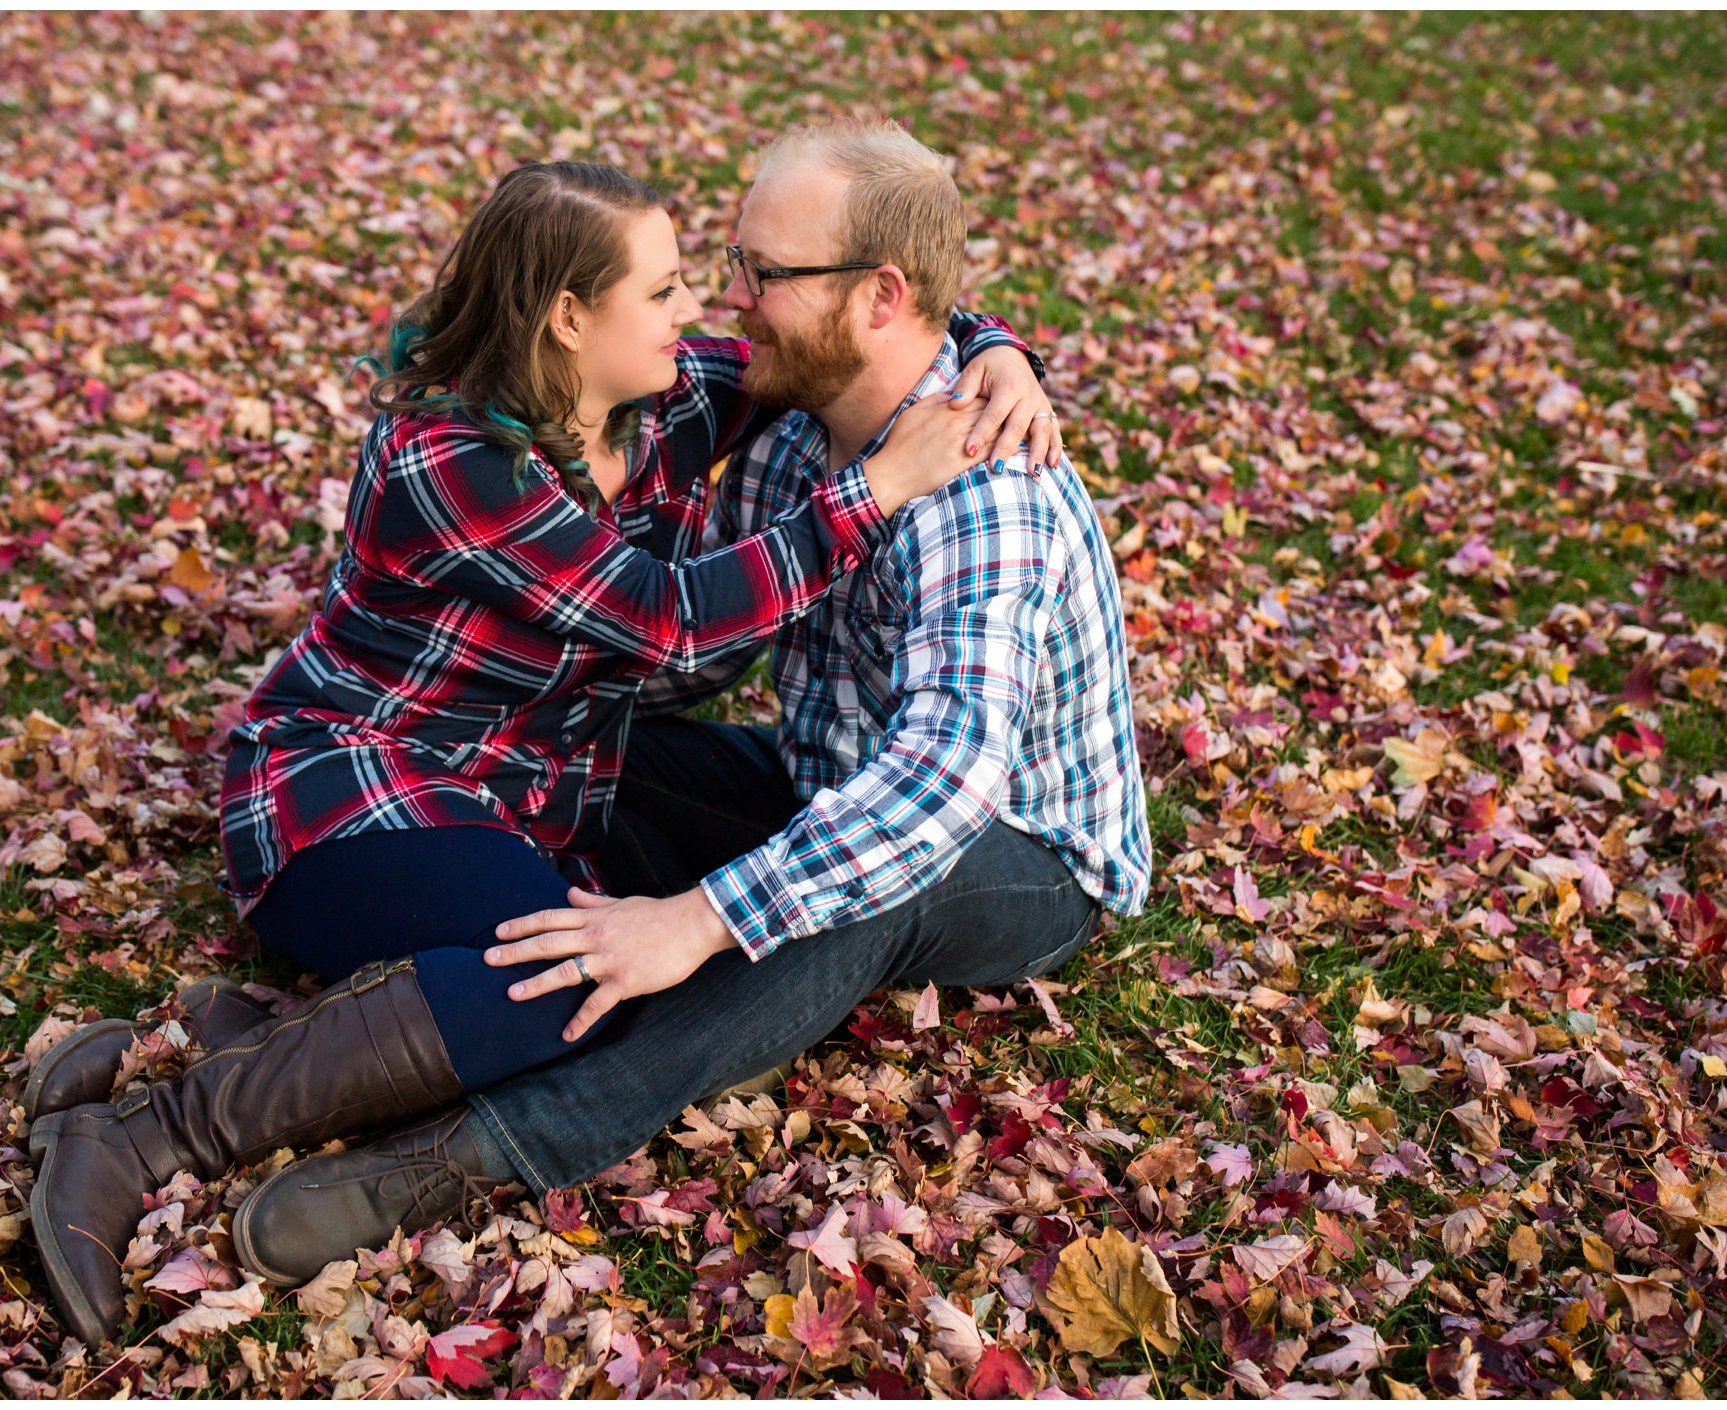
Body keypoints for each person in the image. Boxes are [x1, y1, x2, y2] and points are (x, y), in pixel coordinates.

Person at [23, 158, 1062, 1346]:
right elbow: (664, 616)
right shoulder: (452, 461)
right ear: (570, 318)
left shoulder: (667, 398)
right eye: (667, 291)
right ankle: (154, 1133)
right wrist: (868, 493)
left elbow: (857, 330)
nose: (702, 311)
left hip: (517, 798)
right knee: (565, 981)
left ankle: (204, 1039)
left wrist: (996, 348)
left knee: (575, 965)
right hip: (348, 792)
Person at [221, 120, 1152, 1288]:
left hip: (1021, 850)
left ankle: (497, 1143)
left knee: (859, 888)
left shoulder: (984, 498)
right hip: (823, 762)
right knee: (600, 756)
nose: (730, 302)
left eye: (761, 273)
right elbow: (689, 634)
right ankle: (413, 970)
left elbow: (940, 785)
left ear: (878, 297)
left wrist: (699, 921)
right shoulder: (788, 426)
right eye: (725, 266)